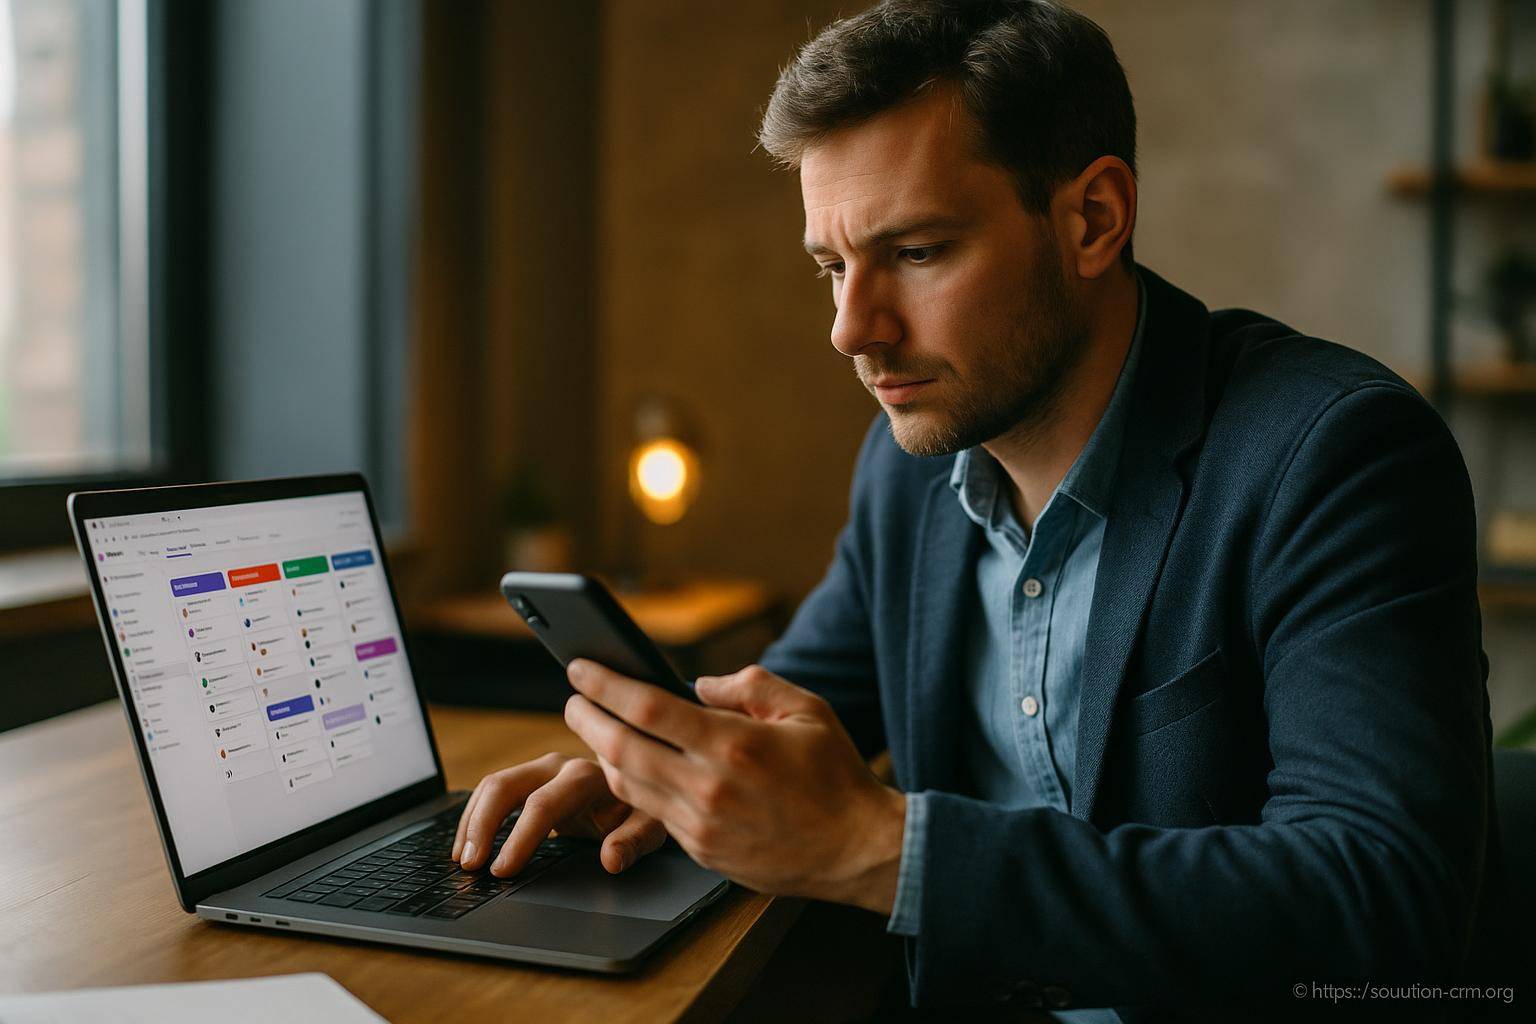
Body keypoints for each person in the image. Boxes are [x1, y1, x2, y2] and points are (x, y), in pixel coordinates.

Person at [454, 1, 1514, 1017]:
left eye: (915, 253)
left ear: (1093, 218)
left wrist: (880, 847)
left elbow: (1383, 898)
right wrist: (651, 771)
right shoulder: (909, 462)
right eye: (832, 265)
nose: (850, 330)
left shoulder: (1332, 454)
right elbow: (803, 698)